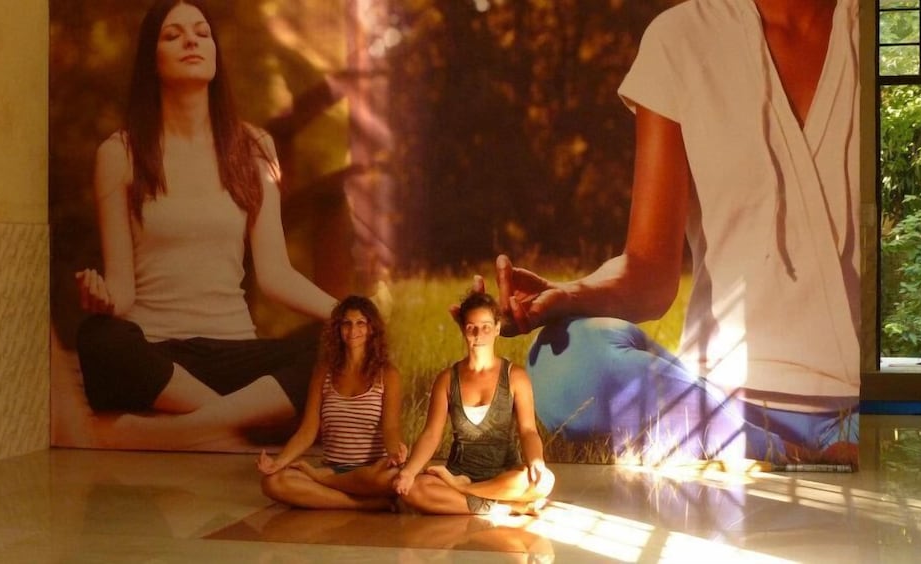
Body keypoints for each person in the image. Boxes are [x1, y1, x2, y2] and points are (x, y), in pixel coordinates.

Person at [488, 0, 860, 465]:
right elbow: (648, 272)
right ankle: (779, 452)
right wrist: (568, 295)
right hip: (717, 400)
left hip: (874, 406)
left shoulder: (892, 29)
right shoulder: (682, 37)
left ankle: (748, 453)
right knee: (564, 361)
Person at [72, 0, 339, 450]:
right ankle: (246, 422)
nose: (191, 41)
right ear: (152, 59)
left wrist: (350, 315)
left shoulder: (254, 147)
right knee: (98, 338)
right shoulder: (119, 153)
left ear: (215, 52)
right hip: (158, 358)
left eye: (201, 33)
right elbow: (123, 291)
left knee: (338, 345)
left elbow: (275, 274)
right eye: (173, 35)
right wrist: (101, 298)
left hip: (236, 352)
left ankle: (179, 431)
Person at [394, 292, 555, 514]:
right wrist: (409, 472)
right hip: (460, 471)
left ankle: (465, 491)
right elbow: (431, 434)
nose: (479, 335)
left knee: (545, 481)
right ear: (463, 329)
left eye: (486, 327)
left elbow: (528, 431)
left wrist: (537, 462)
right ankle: (505, 507)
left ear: (497, 328)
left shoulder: (516, 376)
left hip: (504, 474)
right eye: (472, 328)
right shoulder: (447, 379)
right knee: (414, 489)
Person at [256, 296, 405, 511]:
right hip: (334, 469)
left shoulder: (388, 375)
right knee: (273, 483)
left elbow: (391, 427)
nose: (353, 330)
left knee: (390, 477)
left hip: (370, 472)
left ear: (372, 329)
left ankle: (324, 484)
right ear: (338, 329)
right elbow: (308, 429)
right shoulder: (323, 372)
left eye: (361, 323)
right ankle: (362, 504)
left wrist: (395, 455)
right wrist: (278, 462)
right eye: (346, 323)